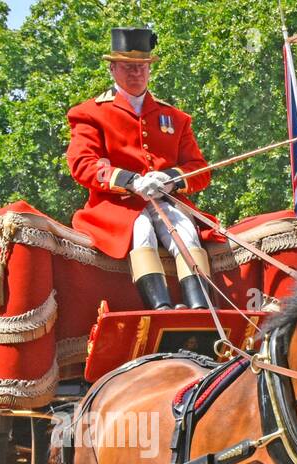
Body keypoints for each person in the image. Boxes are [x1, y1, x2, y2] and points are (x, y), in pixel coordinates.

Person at [65, 26, 214, 310]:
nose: (136, 73)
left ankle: (199, 307)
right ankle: (160, 307)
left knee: (184, 229)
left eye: (142, 67)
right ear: (112, 68)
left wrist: (170, 180)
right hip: (117, 206)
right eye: (128, 67)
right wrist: (131, 181)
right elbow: (82, 164)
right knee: (141, 228)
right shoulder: (89, 113)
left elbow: (199, 169)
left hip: (166, 199)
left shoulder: (174, 116)